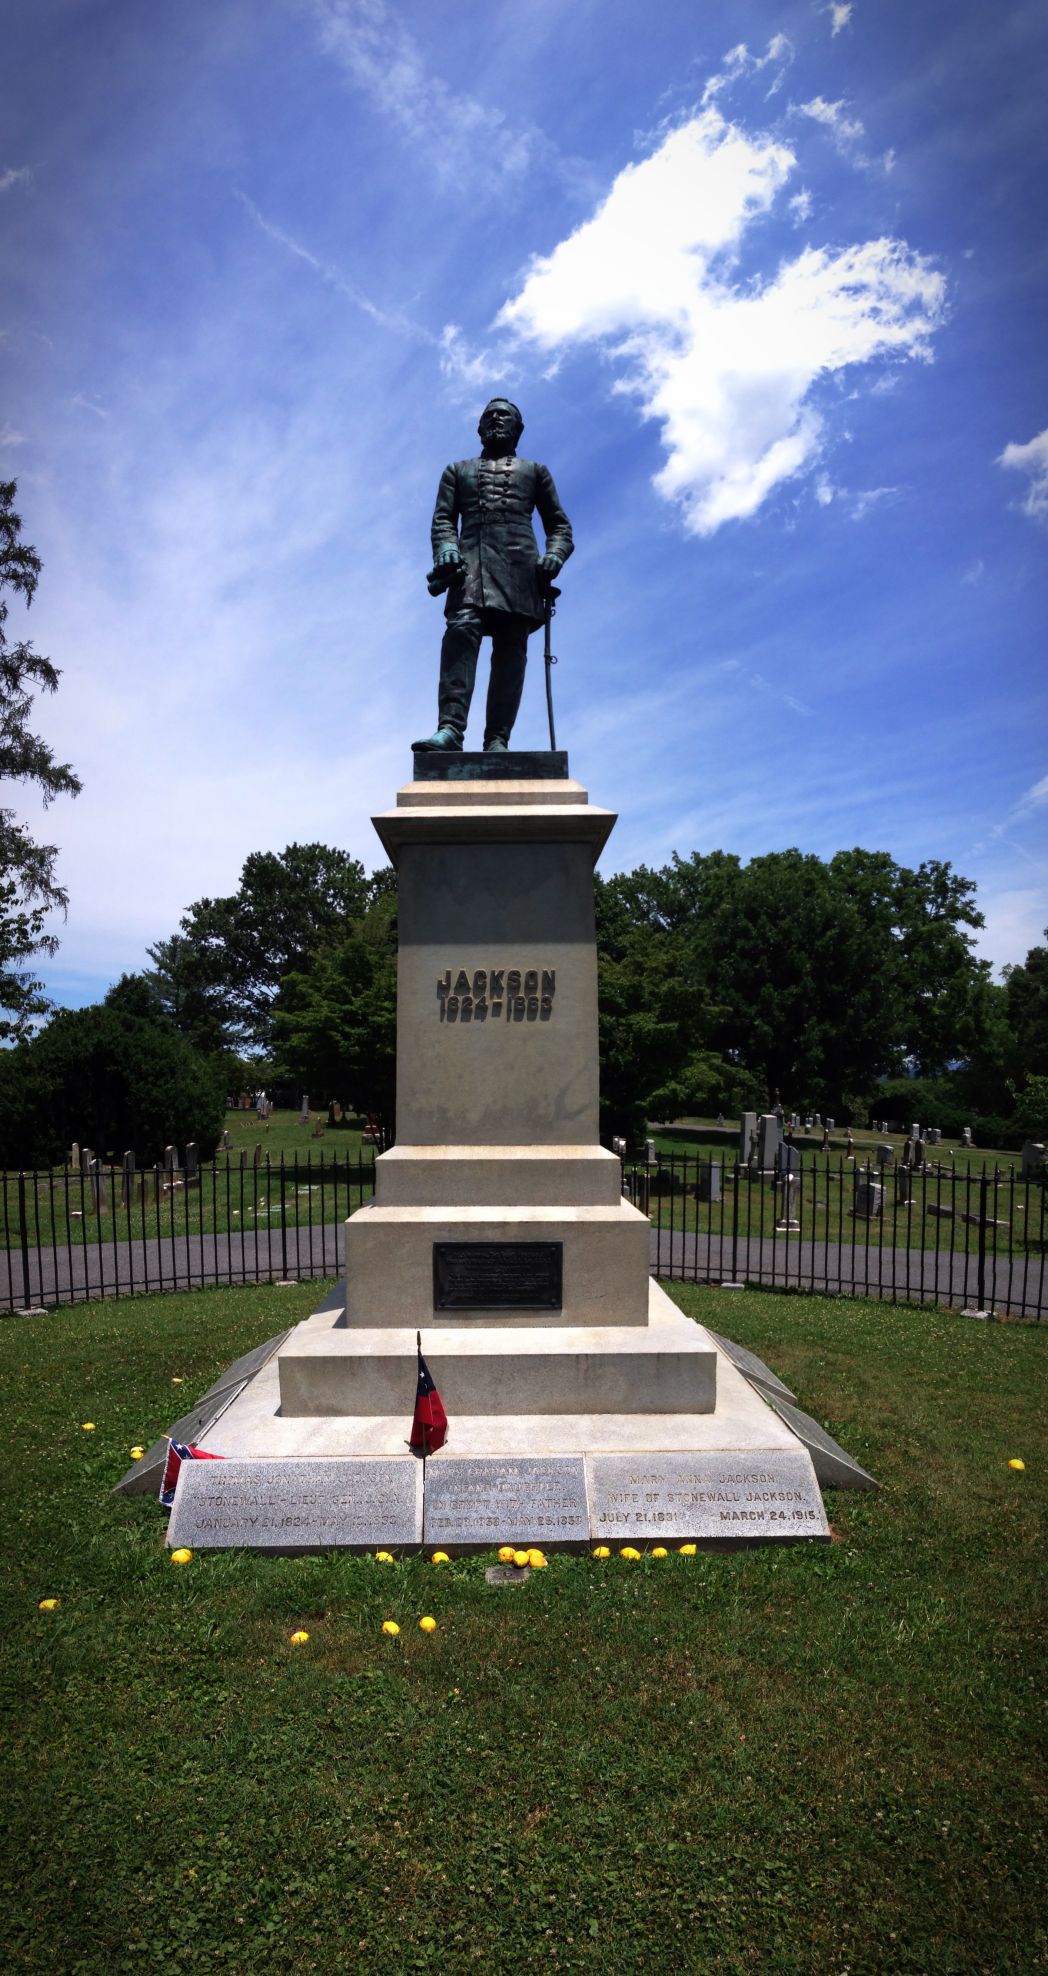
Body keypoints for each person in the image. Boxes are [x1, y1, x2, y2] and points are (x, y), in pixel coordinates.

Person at [412, 398, 574, 753]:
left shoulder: (536, 472)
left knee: (511, 650)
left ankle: (498, 739)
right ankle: (450, 730)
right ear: (479, 427)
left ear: (518, 429)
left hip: (520, 571)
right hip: (469, 567)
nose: (497, 420)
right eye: (490, 415)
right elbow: (443, 521)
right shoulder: (457, 471)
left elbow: (560, 527)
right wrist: (445, 550)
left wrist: (554, 556)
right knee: (460, 631)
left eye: (505, 415)